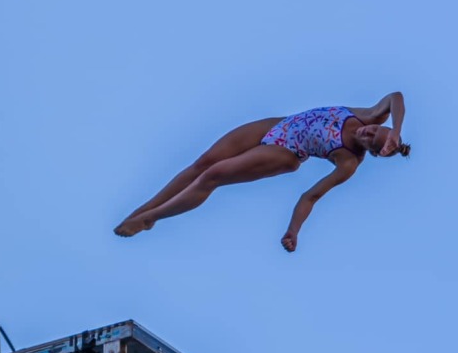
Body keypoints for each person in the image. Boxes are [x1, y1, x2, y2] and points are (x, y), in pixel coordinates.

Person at [114, 92, 408, 252]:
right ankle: (142, 212)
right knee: (202, 163)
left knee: (213, 175)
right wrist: (396, 130)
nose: (367, 134)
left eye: (371, 142)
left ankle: (152, 217)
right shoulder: (370, 114)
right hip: (277, 125)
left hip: (285, 152)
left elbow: (310, 197)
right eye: (375, 132)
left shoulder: (348, 162)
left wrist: (293, 231)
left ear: (370, 153)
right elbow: (396, 96)